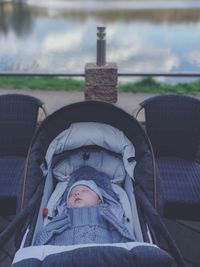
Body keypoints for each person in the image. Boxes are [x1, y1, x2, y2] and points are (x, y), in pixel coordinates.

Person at [34, 166, 136, 246]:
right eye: (71, 194)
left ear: (100, 200)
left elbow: (126, 237)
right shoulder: (61, 219)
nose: (77, 194)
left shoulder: (110, 216)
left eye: (84, 190)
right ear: (66, 204)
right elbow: (42, 240)